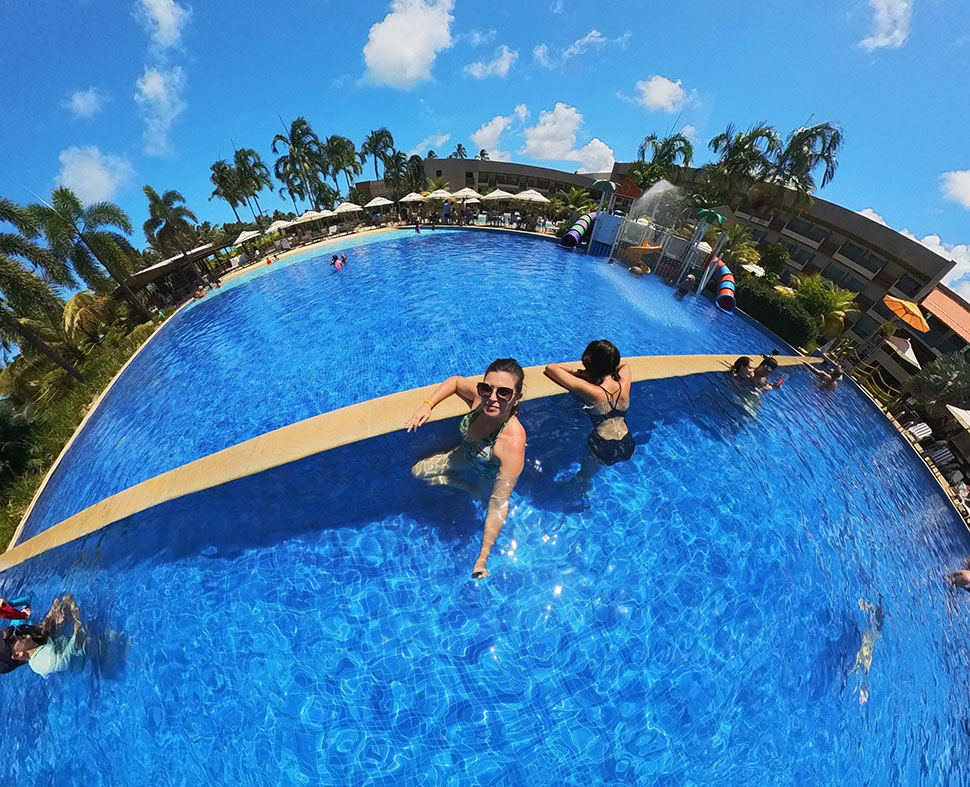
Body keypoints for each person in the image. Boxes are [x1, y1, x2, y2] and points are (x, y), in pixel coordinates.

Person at [406, 359, 527, 579]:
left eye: (504, 393)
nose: (492, 398)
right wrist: (427, 404)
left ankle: (472, 489)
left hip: (486, 472)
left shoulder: (512, 442)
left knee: (483, 498)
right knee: (418, 472)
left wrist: (482, 558)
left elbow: (499, 502)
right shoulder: (481, 401)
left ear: (517, 397)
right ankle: (462, 485)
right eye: (486, 388)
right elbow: (455, 382)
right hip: (464, 456)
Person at [544, 340, 634, 473]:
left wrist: (581, 373)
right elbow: (625, 365)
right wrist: (607, 367)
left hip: (603, 444)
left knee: (582, 479)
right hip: (628, 442)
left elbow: (551, 368)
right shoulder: (624, 386)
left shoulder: (593, 392)